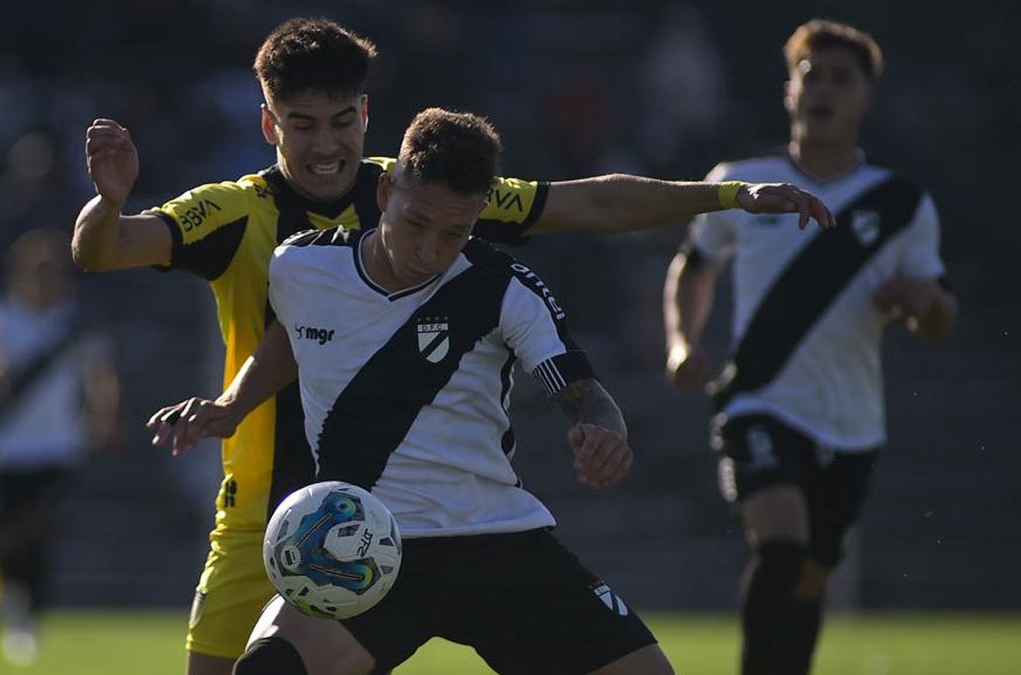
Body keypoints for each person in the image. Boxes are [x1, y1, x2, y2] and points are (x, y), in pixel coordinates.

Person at [73, 17, 831, 674]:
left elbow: (591, 205)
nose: (327, 143)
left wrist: (725, 195)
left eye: (342, 121)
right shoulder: (265, 233)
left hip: (462, 529)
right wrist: (111, 206)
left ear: (367, 119)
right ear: (271, 125)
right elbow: (126, 262)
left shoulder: (438, 203)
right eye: (302, 124)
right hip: (294, 517)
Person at [175, 107, 676, 675]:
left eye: (454, 233)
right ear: (387, 191)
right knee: (269, 671)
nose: (429, 250)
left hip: (495, 540)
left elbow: (580, 391)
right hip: (365, 544)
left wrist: (604, 429)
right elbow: (290, 336)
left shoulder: (504, 288)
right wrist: (232, 405)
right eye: (416, 224)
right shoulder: (302, 266)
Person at [662, 19, 956, 675]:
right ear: (789, 92)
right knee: (782, 548)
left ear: (865, 100)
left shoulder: (901, 204)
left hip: (853, 425)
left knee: (810, 577)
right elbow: (694, 265)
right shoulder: (743, 182)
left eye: (840, 78)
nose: (823, 88)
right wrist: (683, 343)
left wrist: (925, 301)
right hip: (758, 402)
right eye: (810, 74)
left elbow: (941, 317)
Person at [0, 227, 117, 665]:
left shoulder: (71, 323)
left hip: (55, 446)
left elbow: (99, 375)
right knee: (6, 533)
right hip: (4, 446)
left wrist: (102, 417)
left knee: (38, 528)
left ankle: (28, 610)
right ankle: (13, 595)